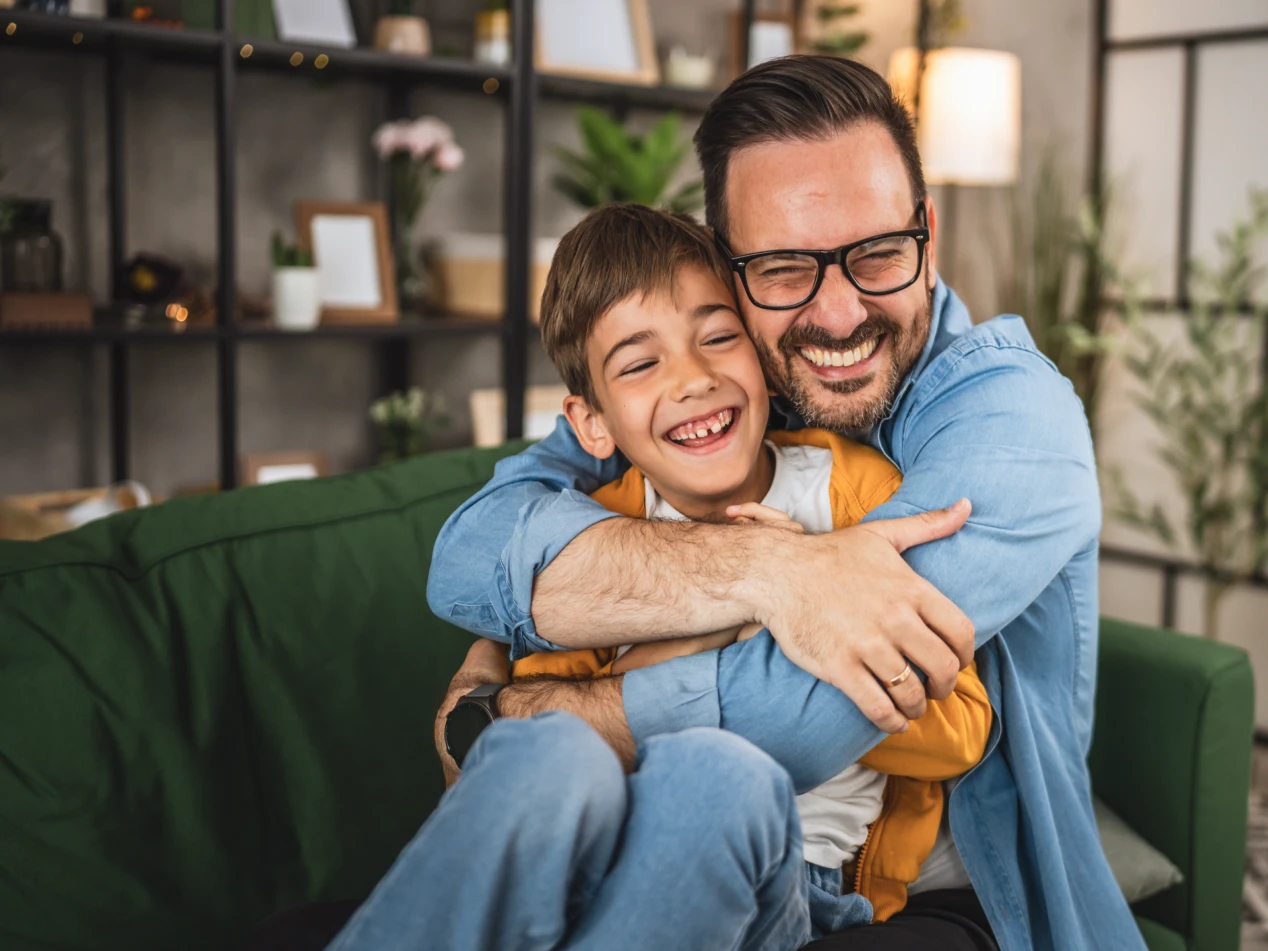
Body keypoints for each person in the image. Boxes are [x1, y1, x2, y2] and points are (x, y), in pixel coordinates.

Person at [421, 54, 1144, 951]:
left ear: (928, 231)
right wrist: (772, 568)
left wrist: (544, 708)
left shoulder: (1012, 422)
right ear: (728, 271)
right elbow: (471, 556)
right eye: (786, 267)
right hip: (686, 846)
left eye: (878, 253)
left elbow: (810, 714)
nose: (838, 315)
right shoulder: (728, 381)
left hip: (946, 900)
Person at [507, 201, 992, 930]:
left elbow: (961, 729)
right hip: (618, 862)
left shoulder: (856, 494)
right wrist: (727, 617)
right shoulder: (591, 534)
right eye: (641, 363)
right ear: (592, 423)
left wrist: (802, 615)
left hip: (810, 880)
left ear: (763, 357)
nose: (692, 379)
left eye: (718, 338)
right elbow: (536, 749)